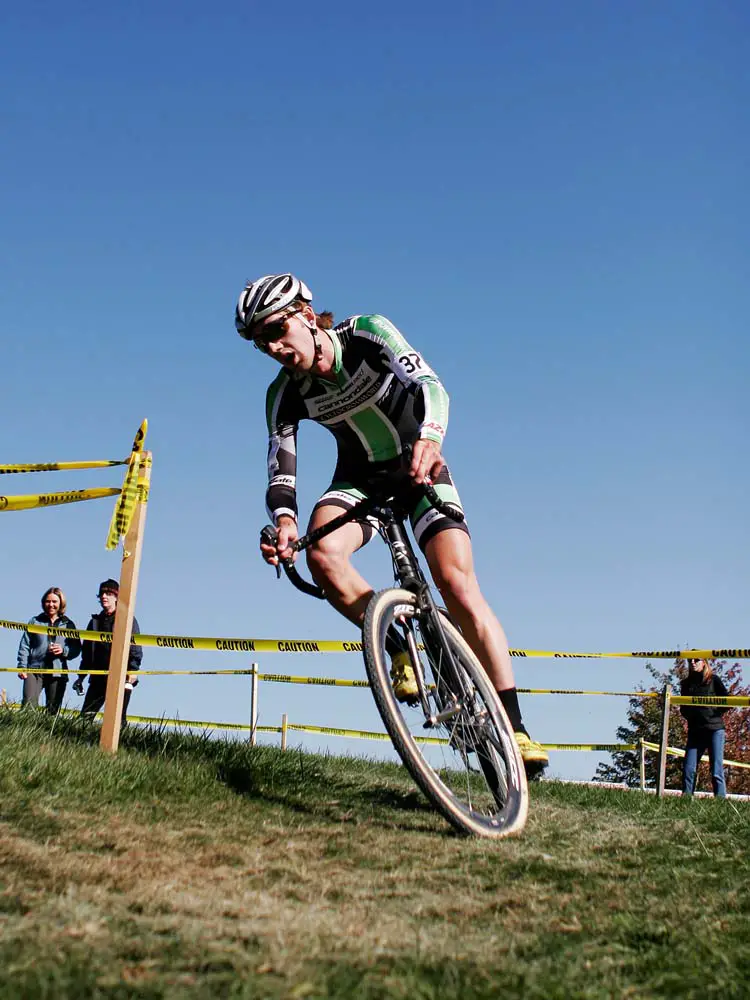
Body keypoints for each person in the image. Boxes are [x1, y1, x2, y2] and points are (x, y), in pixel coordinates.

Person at [236, 273, 548, 776]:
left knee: (456, 585)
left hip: (418, 465)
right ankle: (396, 637)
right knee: (321, 554)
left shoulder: (367, 334)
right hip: (361, 480)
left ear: (305, 313)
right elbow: (281, 466)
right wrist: (284, 522)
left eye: (276, 330)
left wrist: (429, 436)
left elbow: (430, 385)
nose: (272, 347)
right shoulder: (283, 394)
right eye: (260, 341)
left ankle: (514, 725)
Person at [72, 579, 142, 726]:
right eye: (102, 593)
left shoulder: (127, 619)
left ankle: (119, 748)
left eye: (108, 593)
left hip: (119, 676)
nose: (104, 596)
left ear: (116, 596)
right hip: (98, 677)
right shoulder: (94, 622)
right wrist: (81, 676)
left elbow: (135, 646)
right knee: (84, 719)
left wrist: (133, 670)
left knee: (117, 721)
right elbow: (87, 652)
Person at [17, 587, 81, 714]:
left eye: (54, 602)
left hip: (57, 672)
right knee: (28, 708)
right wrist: (22, 666)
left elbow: (77, 648)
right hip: (34, 670)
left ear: (61, 603)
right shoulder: (35, 621)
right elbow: (24, 645)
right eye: (48, 601)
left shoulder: (68, 624)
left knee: (52, 711)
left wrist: (63, 650)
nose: (51, 604)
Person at [679, 658, 728, 798]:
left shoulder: (714, 680)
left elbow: (728, 701)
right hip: (696, 731)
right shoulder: (686, 684)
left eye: (696, 660)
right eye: (690, 661)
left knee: (716, 769)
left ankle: (720, 800)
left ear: (704, 662)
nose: (692, 663)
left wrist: (713, 713)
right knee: (689, 767)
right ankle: (686, 798)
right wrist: (693, 717)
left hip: (715, 729)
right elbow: (683, 708)